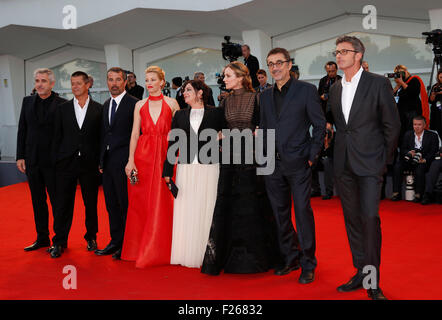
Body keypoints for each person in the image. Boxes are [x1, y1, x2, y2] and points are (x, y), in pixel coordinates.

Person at [328, 36, 400, 300]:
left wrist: (383, 161)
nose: (339, 56)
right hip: (343, 165)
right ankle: (360, 271)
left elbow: (392, 126)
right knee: (353, 222)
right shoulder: (335, 89)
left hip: (370, 165)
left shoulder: (378, 83)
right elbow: (340, 127)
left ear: (359, 55)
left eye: (344, 51)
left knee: (369, 220)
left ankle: (372, 280)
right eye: (337, 52)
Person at [201, 61, 278, 275]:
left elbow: (265, 127)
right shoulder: (225, 101)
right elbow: (222, 129)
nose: (224, 79)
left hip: (252, 160)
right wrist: (219, 136)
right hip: (229, 159)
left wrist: (256, 133)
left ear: (241, 77)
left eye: (227, 76)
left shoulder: (258, 99)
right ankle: (232, 258)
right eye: (224, 76)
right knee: (230, 205)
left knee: (254, 205)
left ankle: (257, 258)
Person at [259, 48, 325, 284]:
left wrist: (311, 156)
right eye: (271, 64)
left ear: (289, 65)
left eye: (279, 63)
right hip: (271, 164)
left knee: (303, 213)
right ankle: (291, 258)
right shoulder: (264, 96)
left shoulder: (306, 90)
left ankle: (309, 263)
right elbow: (264, 128)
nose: (275, 67)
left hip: (298, 163)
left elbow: (320, 126)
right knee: (280, 215)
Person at [122, 66, 179, 267]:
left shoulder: (172, 104)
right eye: (146, 80)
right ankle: (139, 248)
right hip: (144, 156)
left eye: (153, 79)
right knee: (141, 202)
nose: (149, 83)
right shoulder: (140, 105)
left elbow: (178, 135)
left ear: (162, 82)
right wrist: (130, 160)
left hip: (166, 155)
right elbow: (135, 134)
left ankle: (164, 248)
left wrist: (176, 159)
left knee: (164, 201)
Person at [163, 80, 223, 268]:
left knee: (207, 208)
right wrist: (167, 171)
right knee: (187, 210)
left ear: (200, 93)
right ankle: (187, 254)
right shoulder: (179, 115)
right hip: (186, 168)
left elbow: (228, 133)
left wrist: (219, 137)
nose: (184, 93)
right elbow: (173, 144)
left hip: (210, 167)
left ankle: (207, 255)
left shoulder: (216, 113)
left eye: (188, 90)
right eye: (183, 90)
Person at [49, 71, 102, 258]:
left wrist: (100, 161)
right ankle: (59, 241)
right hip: (65, 163)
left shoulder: (99, 109)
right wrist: (56, 161)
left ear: (88, 84)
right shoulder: (62, 109)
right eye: (72, 84)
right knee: (63, 204)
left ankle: (91, 237)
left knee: (91, 203)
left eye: (79, 83)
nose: (75, 87)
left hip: (89, 163)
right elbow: (56, 137)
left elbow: (101, 138)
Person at [16, 68, 67, 252]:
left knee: (57, 203)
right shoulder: (27, 101)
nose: (39, 84)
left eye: (43, 81)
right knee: (38, 202)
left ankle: (59, 241)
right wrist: (20, 155)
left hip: (54, 163)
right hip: (32, 160)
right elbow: (22, 129)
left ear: (52, 84)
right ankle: (42, 238)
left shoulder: (63, 104)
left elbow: (66, 135)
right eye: (37, 80)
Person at [95, 67, 139, 259]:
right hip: (108, 163)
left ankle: (128, 244)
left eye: (117, 80)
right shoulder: (105, 105)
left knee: (125, 205)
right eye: (110, 79)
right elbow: (103, 135)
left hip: (126, 163)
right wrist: (100, 160)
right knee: (111, 205)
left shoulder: (135, 104)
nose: (113, 83)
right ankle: (115, 241)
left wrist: (134, 161)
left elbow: (138, 135)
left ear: (125, 82)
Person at [391, 116, 439, 202]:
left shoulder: (432, 136)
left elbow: (433, 151)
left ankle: (418, 195)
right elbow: (402, 149)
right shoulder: (408, 134)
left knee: (420, 168)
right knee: (397, 166)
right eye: (414, 124)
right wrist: (409, 153)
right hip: (409, 160)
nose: (416, 127)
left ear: (424, 125)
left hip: (423, 160)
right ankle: (396, 193)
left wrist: (424, 160)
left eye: (419, 125)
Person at [393, 64, 430, 143]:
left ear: (406, 71)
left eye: (401, 72)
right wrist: (398, 84)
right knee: (402, 134)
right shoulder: (400, 84)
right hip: (402, 114)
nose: (400, 75)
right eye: (398, 73)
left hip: (411, 114)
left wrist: (402, 83)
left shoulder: (414, 80)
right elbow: (392, 95)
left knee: (410, 134)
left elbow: (412, 92)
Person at [429, 69, 442, 139]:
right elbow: (431, 101)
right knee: (438, 131)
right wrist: (433, 94)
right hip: (437, 113)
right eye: (440, 77)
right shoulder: (435, 86)